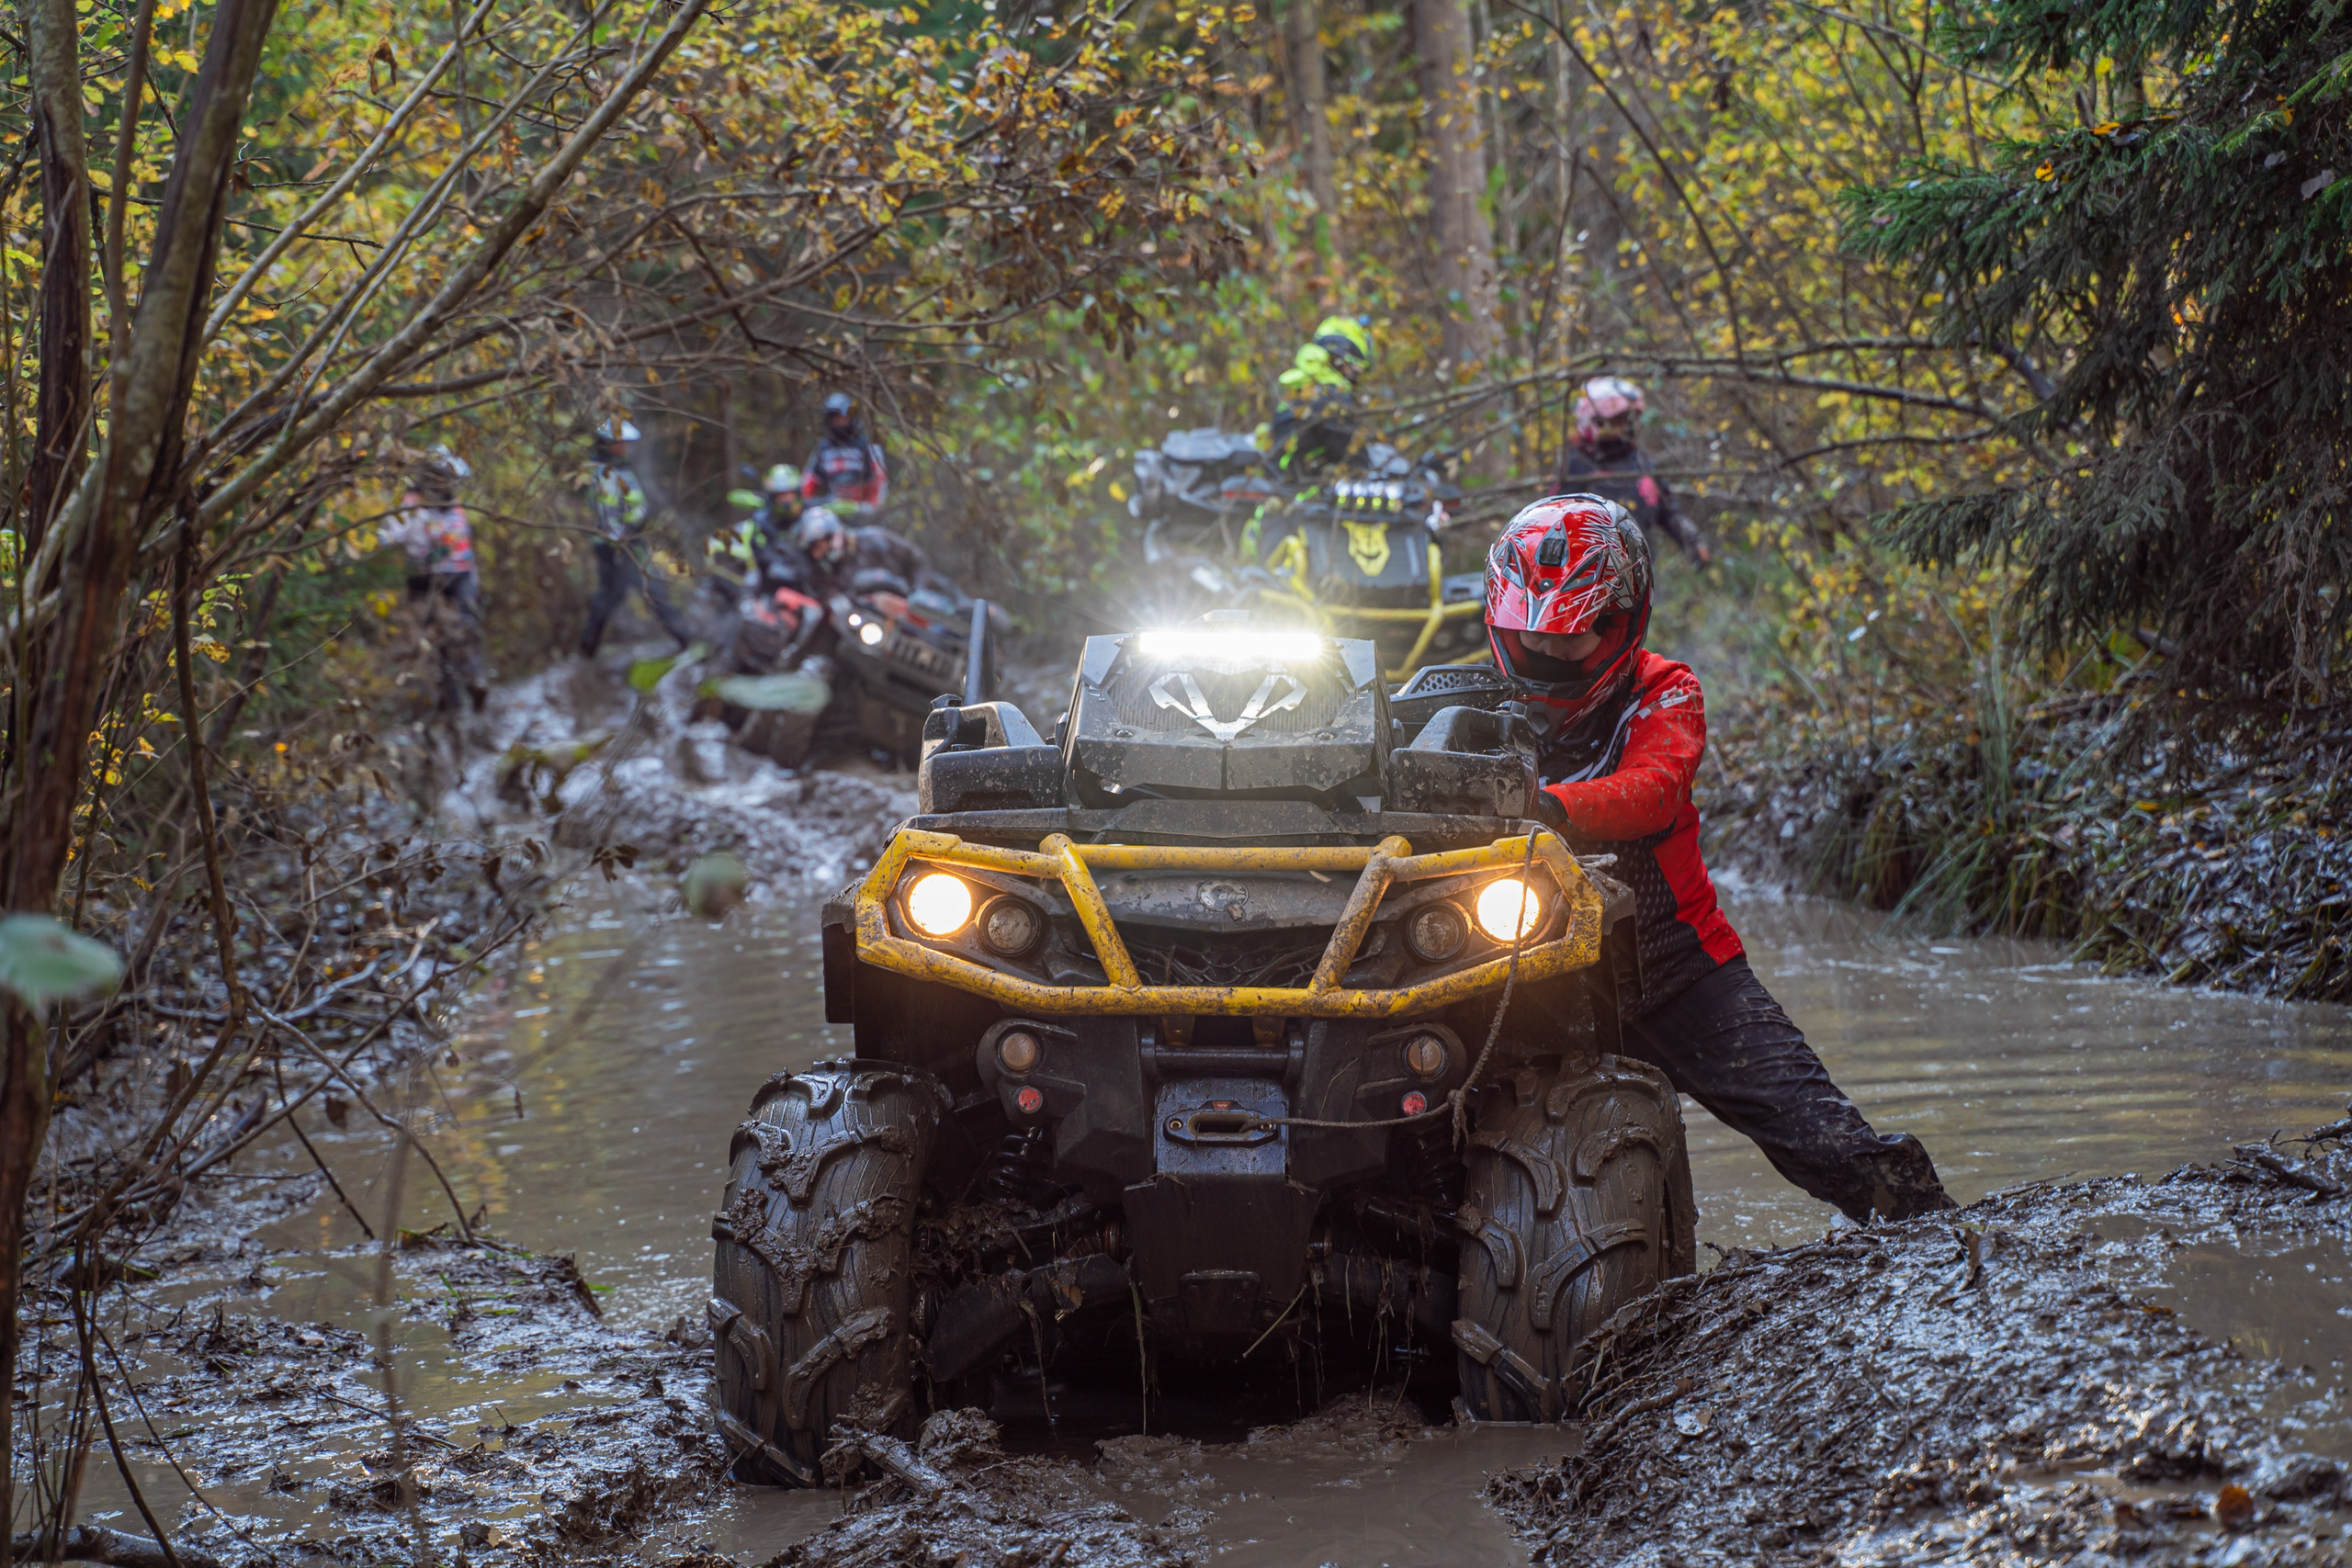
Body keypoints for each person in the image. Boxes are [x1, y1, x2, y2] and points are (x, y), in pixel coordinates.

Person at [1485, 495, 1951, 1223]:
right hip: (1522, 980)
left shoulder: (1666, 691)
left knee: (1830, 1146)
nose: (1549, 657)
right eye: (1532, 640)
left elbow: (1652, 792)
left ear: (1621, 623)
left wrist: (1547, 806)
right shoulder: (1469, 708)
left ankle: (1944, 1235)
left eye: (1571, 641)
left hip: (1676, 971)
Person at [1555, 377, 1712, 566]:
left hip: (1640, 572)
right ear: (1594, 421)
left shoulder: (1639, 461)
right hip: (1588, 573)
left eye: (1628, 419)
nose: (1625, 427)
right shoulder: (1577, 465)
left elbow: (1668, 509)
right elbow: (1554, 521)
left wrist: (1693, 544)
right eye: (1616, 420)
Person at [383, 446, 486, 711]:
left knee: (467, 625)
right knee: (433, 637)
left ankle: (475, 680)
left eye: (447, 479)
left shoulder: (455, 505)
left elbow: (464, 540)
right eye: (439, 477)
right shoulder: (412, 503)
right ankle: (449, 698)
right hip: (424, 578)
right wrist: (373, 538)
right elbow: (392, 533)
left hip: (460, 573)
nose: (443, 484)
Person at [580, 417, 692, 657]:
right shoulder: (605, 474)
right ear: (607, 444)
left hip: (625, 542)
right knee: (652, 590)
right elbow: (609, 515)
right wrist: (626, 536)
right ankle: (686, 639)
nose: (625, 448)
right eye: (619, 443)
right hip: (619, 546)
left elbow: (633, 506)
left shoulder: (619, 470)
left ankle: (587, 649)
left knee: (611, 596)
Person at [1266, 314, 1373, 479]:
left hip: (1282, 481)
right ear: (1342, 360)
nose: (1358, 373)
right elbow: (1351, 457)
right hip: (1306, 487)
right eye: (1357, 365)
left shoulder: (1299, 387)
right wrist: (1369, 474)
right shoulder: (1334, 400)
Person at [792, 505, 934, 599]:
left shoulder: (875, 539)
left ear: (834, 535)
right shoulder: (824, 572)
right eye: (814, 549)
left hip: (908, 605)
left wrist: (918, 591)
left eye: (821, 544)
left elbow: (917, 559)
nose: (819, 552)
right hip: (869, 623)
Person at [801, 393, 889, 513]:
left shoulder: (868, 445)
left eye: (844, 417)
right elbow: (808, 480)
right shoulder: (822, 448)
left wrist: (874, 507)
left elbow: (880, 478)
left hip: (863, 508)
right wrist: (804, 507)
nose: (840, 421)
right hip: (833, 507)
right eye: (835, 418)